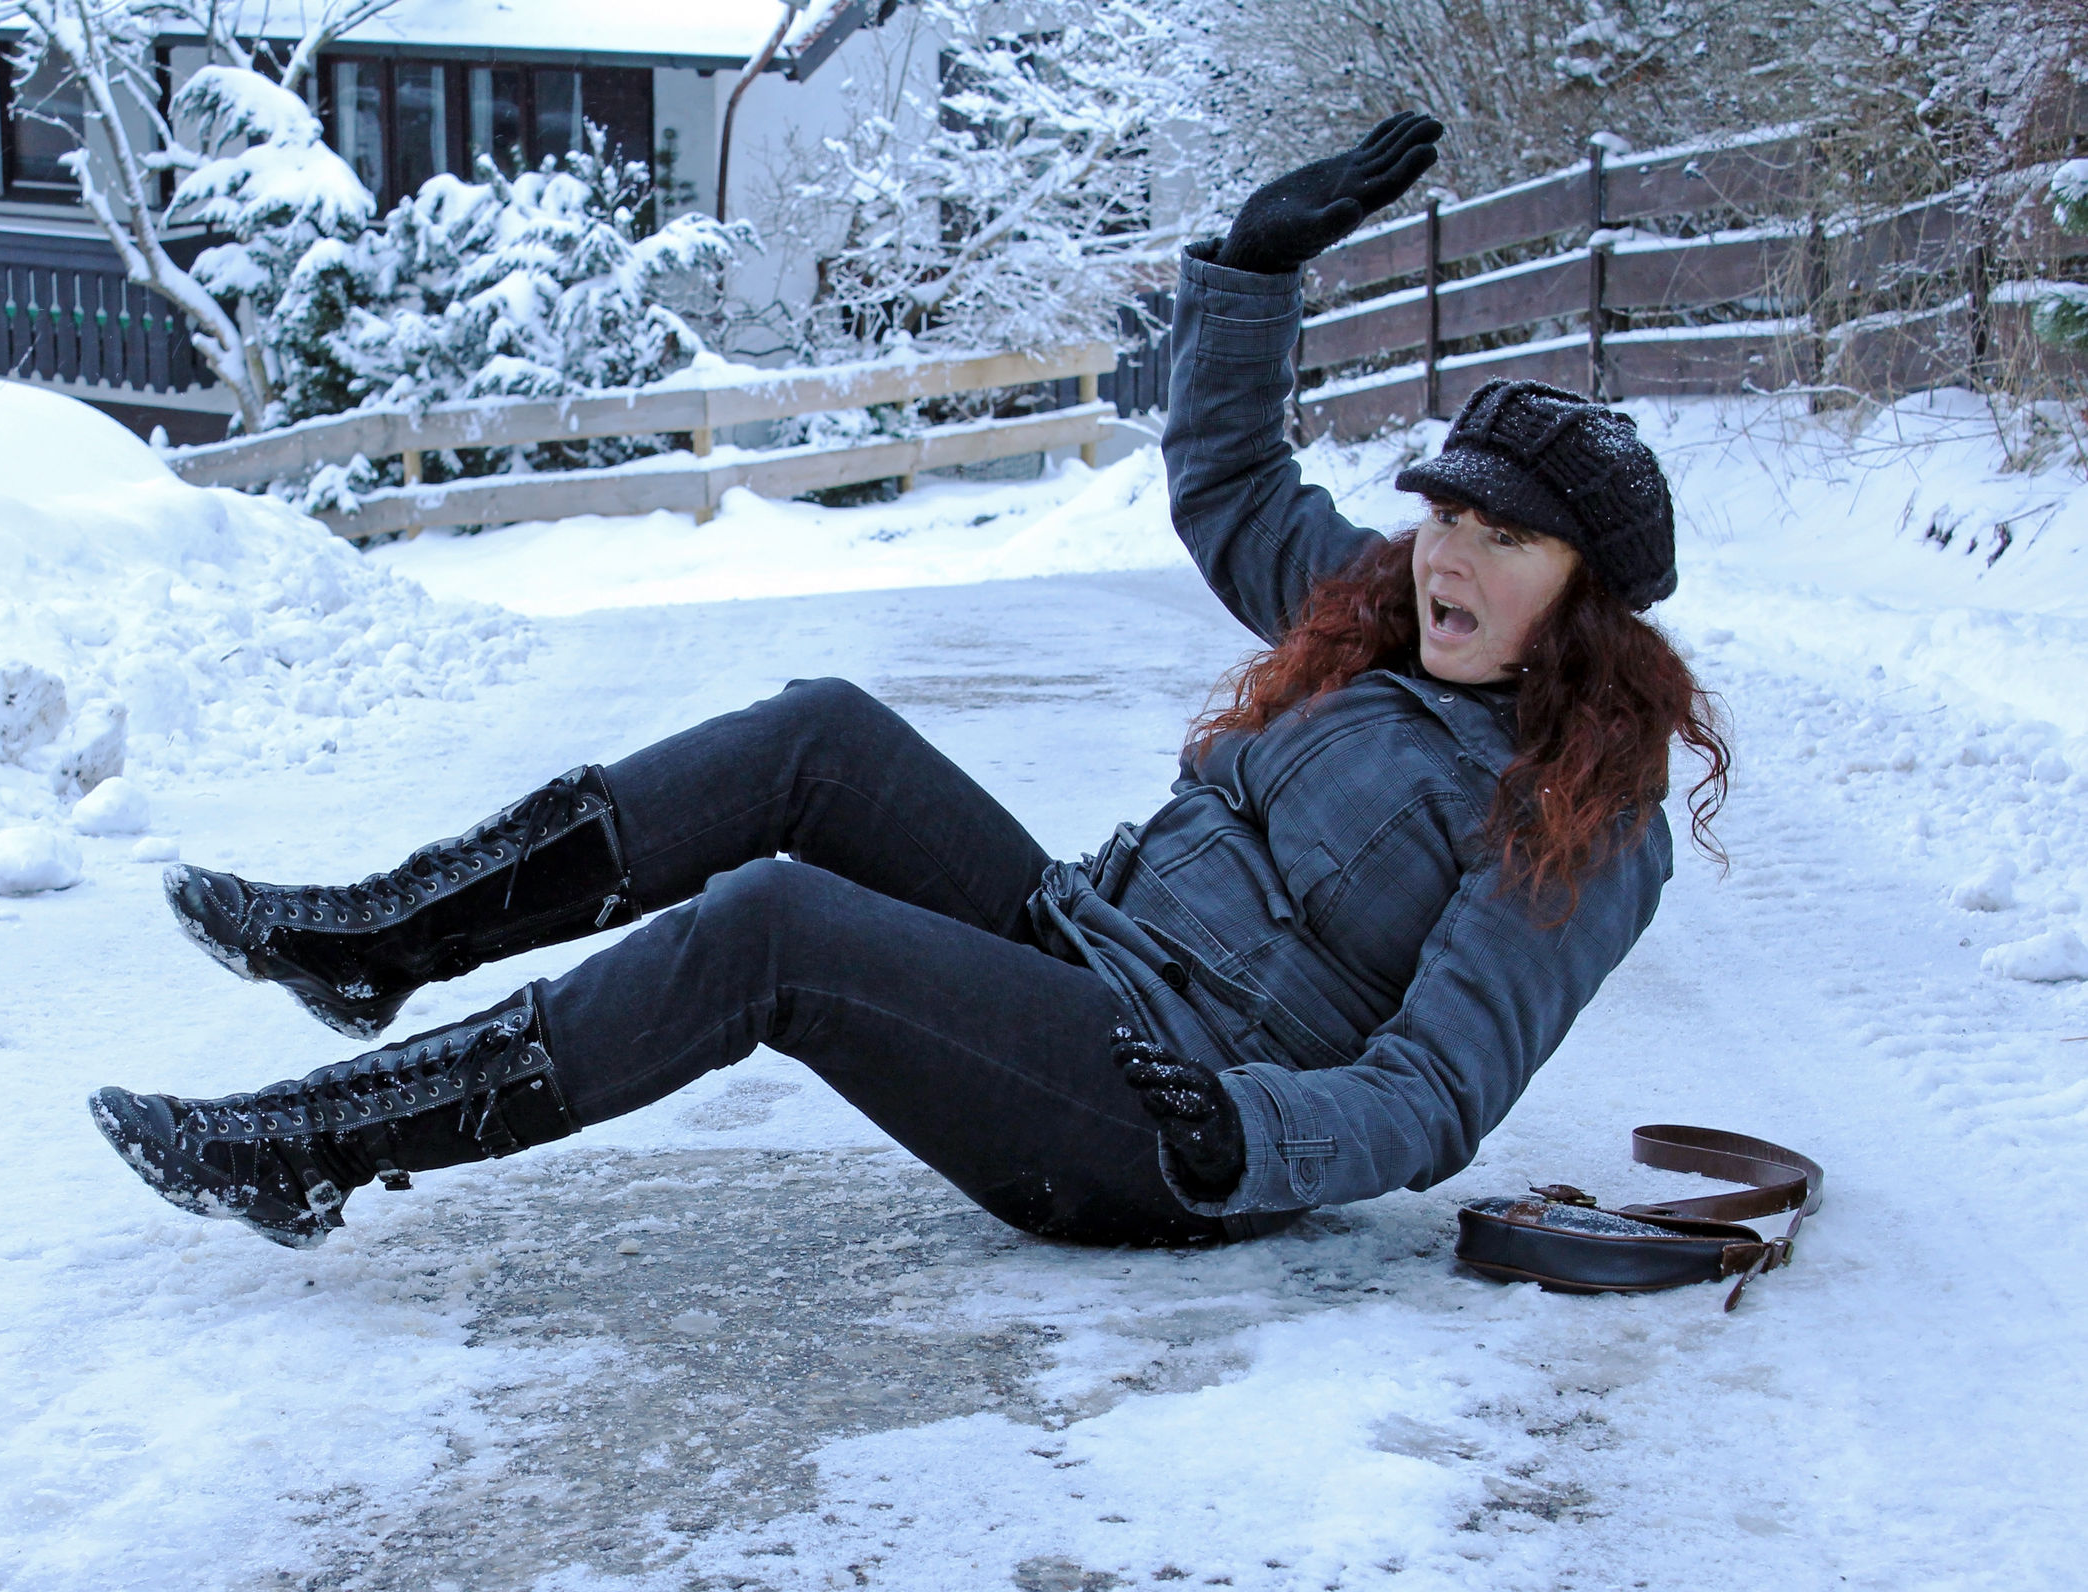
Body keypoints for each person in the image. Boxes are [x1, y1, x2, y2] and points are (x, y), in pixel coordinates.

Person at [89, 112, 1730, 1252]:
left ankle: (325, 1143)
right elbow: (1230, 484)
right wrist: (1248, 271)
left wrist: (1245, 1138)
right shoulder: (1389, 618)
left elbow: (1435, 1093)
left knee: (781, 931)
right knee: (819, 737)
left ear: (1587, 599)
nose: (1448, 553)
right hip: (1079, 954)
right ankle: (389, 940)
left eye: (1500, 538)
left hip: (1168, 1121)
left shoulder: (1579, 810)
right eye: (1441, 510)